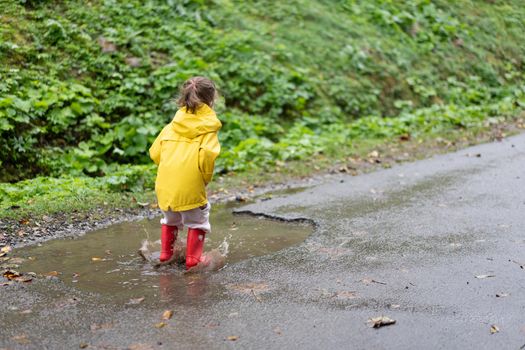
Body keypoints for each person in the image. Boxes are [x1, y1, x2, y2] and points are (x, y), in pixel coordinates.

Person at [149, 76, 221, 270]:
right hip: (190, 185)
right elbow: (207, 155)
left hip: (165, 185)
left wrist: (170, 168)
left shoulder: (171, 127)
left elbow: (154, 153)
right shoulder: (207, 129)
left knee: (170, 218)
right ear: (212, 99)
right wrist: (204, 178)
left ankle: (166, 254)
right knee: (198, 221)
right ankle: (193, 260)